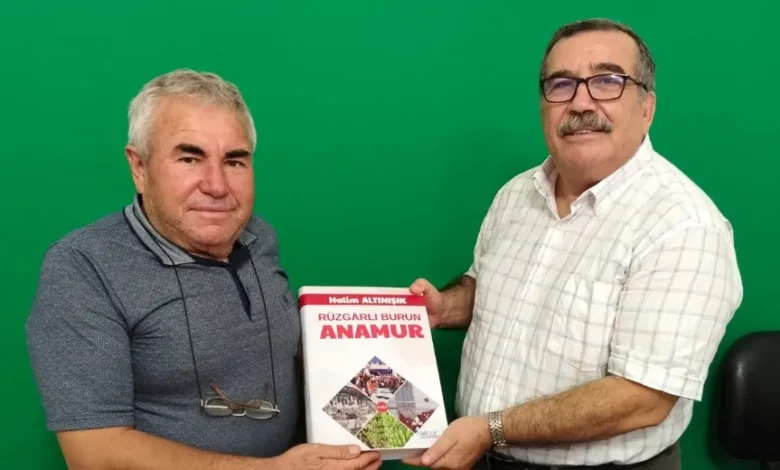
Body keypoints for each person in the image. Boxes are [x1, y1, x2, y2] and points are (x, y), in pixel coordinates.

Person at [404, 18, 743, 470]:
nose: (581, 102)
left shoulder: (683, 225)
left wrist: (490, 429)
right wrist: (445, 307)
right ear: (543, 105)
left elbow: (642, 399)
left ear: (647, 107)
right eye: (561, 84)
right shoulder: (516, 195)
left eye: (607, 81)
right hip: (483, 456)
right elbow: (490, 287)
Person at [25, 69, 382, 470]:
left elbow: (294, 362)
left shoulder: (259, 238)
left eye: (234, 161)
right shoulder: (82, 267)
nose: (216, 185)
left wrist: (394, 407)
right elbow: (95, 453)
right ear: (139, 167)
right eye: (190, 158)